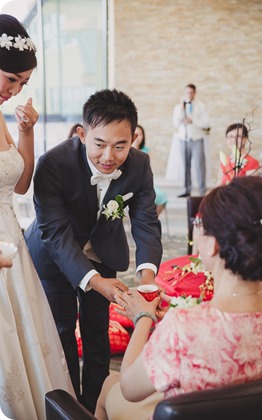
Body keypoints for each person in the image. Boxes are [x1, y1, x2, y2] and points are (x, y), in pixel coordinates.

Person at [95, 175, 262, 420]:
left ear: (213, 244)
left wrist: (143, 317)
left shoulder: (183, 328)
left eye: (200, 224)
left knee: (111, 382)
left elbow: (130, 388)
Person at [25, 89, 163, 413]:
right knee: (62, 331)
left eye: (120, 146)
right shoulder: (53, 164)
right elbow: (55, 233)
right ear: (82, 133)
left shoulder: (140, 165)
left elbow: (145, 222)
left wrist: (147, 280)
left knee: (97, 332)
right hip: (52, 255)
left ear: (134, 139)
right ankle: (70, 405)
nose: (108, 156)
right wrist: (96, 281)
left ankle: (96, 406)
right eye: (99, 144)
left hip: (102, 252)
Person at [0, 14, 74, 420]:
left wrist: (26, 134)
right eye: (11, 78)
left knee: (29, 337)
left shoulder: (0, 115)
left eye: (22, 85)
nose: (13, 92)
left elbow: (21, 184)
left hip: (13, 238)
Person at [173, 83, 210, 197]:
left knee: (199, 166)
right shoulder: (178, 107)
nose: (188, 94)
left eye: (191, 92)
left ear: (194, 93)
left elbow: (206, 123)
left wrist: (193, 120)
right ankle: (187, 189)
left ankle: (202, 191)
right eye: (186, 92)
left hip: (197, 139)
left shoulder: (201, 106)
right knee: (185, 166)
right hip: (183, 139)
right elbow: (175, 123)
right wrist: (181, 110)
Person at [133, 124, 168, 216]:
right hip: (133, 182)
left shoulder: (145, 150)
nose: (137, 137)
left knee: (162, 196)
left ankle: (152, 218)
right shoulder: (126, 150)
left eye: (140, 135)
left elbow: (148, 170)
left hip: (145, 181)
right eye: (135, 134)